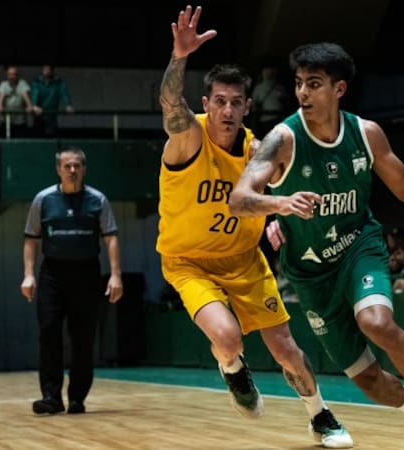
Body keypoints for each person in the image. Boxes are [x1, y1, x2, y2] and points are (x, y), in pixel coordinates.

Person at [229, 42, 404, 450]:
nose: (303, 93)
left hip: (357, 246)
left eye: (314, 84)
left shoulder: (366, 134)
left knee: (376, 322)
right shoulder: (282, 139)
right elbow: (239, 199)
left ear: (339, 89)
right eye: (298, 84)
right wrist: (279, 204)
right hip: (311, 272)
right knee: (366, 379)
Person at [155, 7, 352, 448]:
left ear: (247, 105)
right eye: (219, 101)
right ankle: (232, 368)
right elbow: (170, 102)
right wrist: (179, 55)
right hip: (189, 262)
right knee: (226, 337)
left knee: (286, 349)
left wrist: (277, 218)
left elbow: (274, 189)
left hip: (244, 259)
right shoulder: (188, 136)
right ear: (206, 105)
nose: (227, 110)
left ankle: (319, 414)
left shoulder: (257, 148)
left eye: (235, 102)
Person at [21, 146, 123, 415]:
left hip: (87, 274)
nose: (72, 170)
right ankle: (51, 397)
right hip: (52, 275)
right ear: (58, 169)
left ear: (84, 168)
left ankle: (77, 398)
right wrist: (29, 274)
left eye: (77, 165)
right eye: (67, 166)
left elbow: (110, 237)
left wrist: (115, 275)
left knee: (83, 338)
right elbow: (31, 240)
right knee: (49, 333)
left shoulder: (97, 200)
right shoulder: (43, 200)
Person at [30, 64, 74, 137]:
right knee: (38, 136)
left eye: (48, 69)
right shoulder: (37, 82)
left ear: (52, 71)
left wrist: (68, 105)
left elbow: (64, 94)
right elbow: (35, 93)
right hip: (38, 115)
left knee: (51, 136)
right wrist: (34, 105)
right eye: (44, 69)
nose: (46, 71)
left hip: (51, 115)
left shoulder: (58, 83)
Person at [251, 64, 290, 138]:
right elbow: (254, 106)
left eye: (271, 72)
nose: (269, 74)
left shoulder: (280, 88)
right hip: (265, 121)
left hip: (277, 120)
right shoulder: (259, 88)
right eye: (267, 72)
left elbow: (285, 104)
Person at [0, 65, 33, 137]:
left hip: (20, 121)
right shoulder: (4, 84)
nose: (12, 77)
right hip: (7, 121)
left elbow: (25, 95)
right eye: (10, 74)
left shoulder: (22, 83)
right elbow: (0, 98)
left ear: (17, 75)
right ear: (7, 75)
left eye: (14, 74)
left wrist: (29, 106)